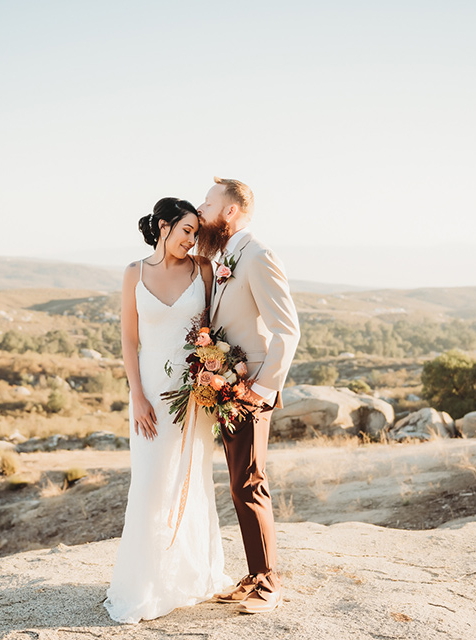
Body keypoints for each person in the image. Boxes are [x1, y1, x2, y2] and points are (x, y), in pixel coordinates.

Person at [104, 197, 231, 624]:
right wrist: (136, 394)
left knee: (191, 481)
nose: (191, 240)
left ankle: (188, 576)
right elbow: (128, 339)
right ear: (163, 226)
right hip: (151, 395)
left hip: (194, 393)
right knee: (150, 485)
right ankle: (145, 584)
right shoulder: (133, 274)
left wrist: (216, 370)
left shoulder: (204, 271)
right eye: (186, 231)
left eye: (196, 233)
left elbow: (215, 328)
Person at [196, 177, 300, 614]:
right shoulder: (226, 255)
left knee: (250, 483)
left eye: (208, 203)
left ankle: (269, 583)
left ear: (230, 211)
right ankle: (255, 573)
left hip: (250, 390)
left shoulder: (257, 255)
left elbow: (287, 329)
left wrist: (260, 389)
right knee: (239, 485)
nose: (201, 211)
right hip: (229, 388)